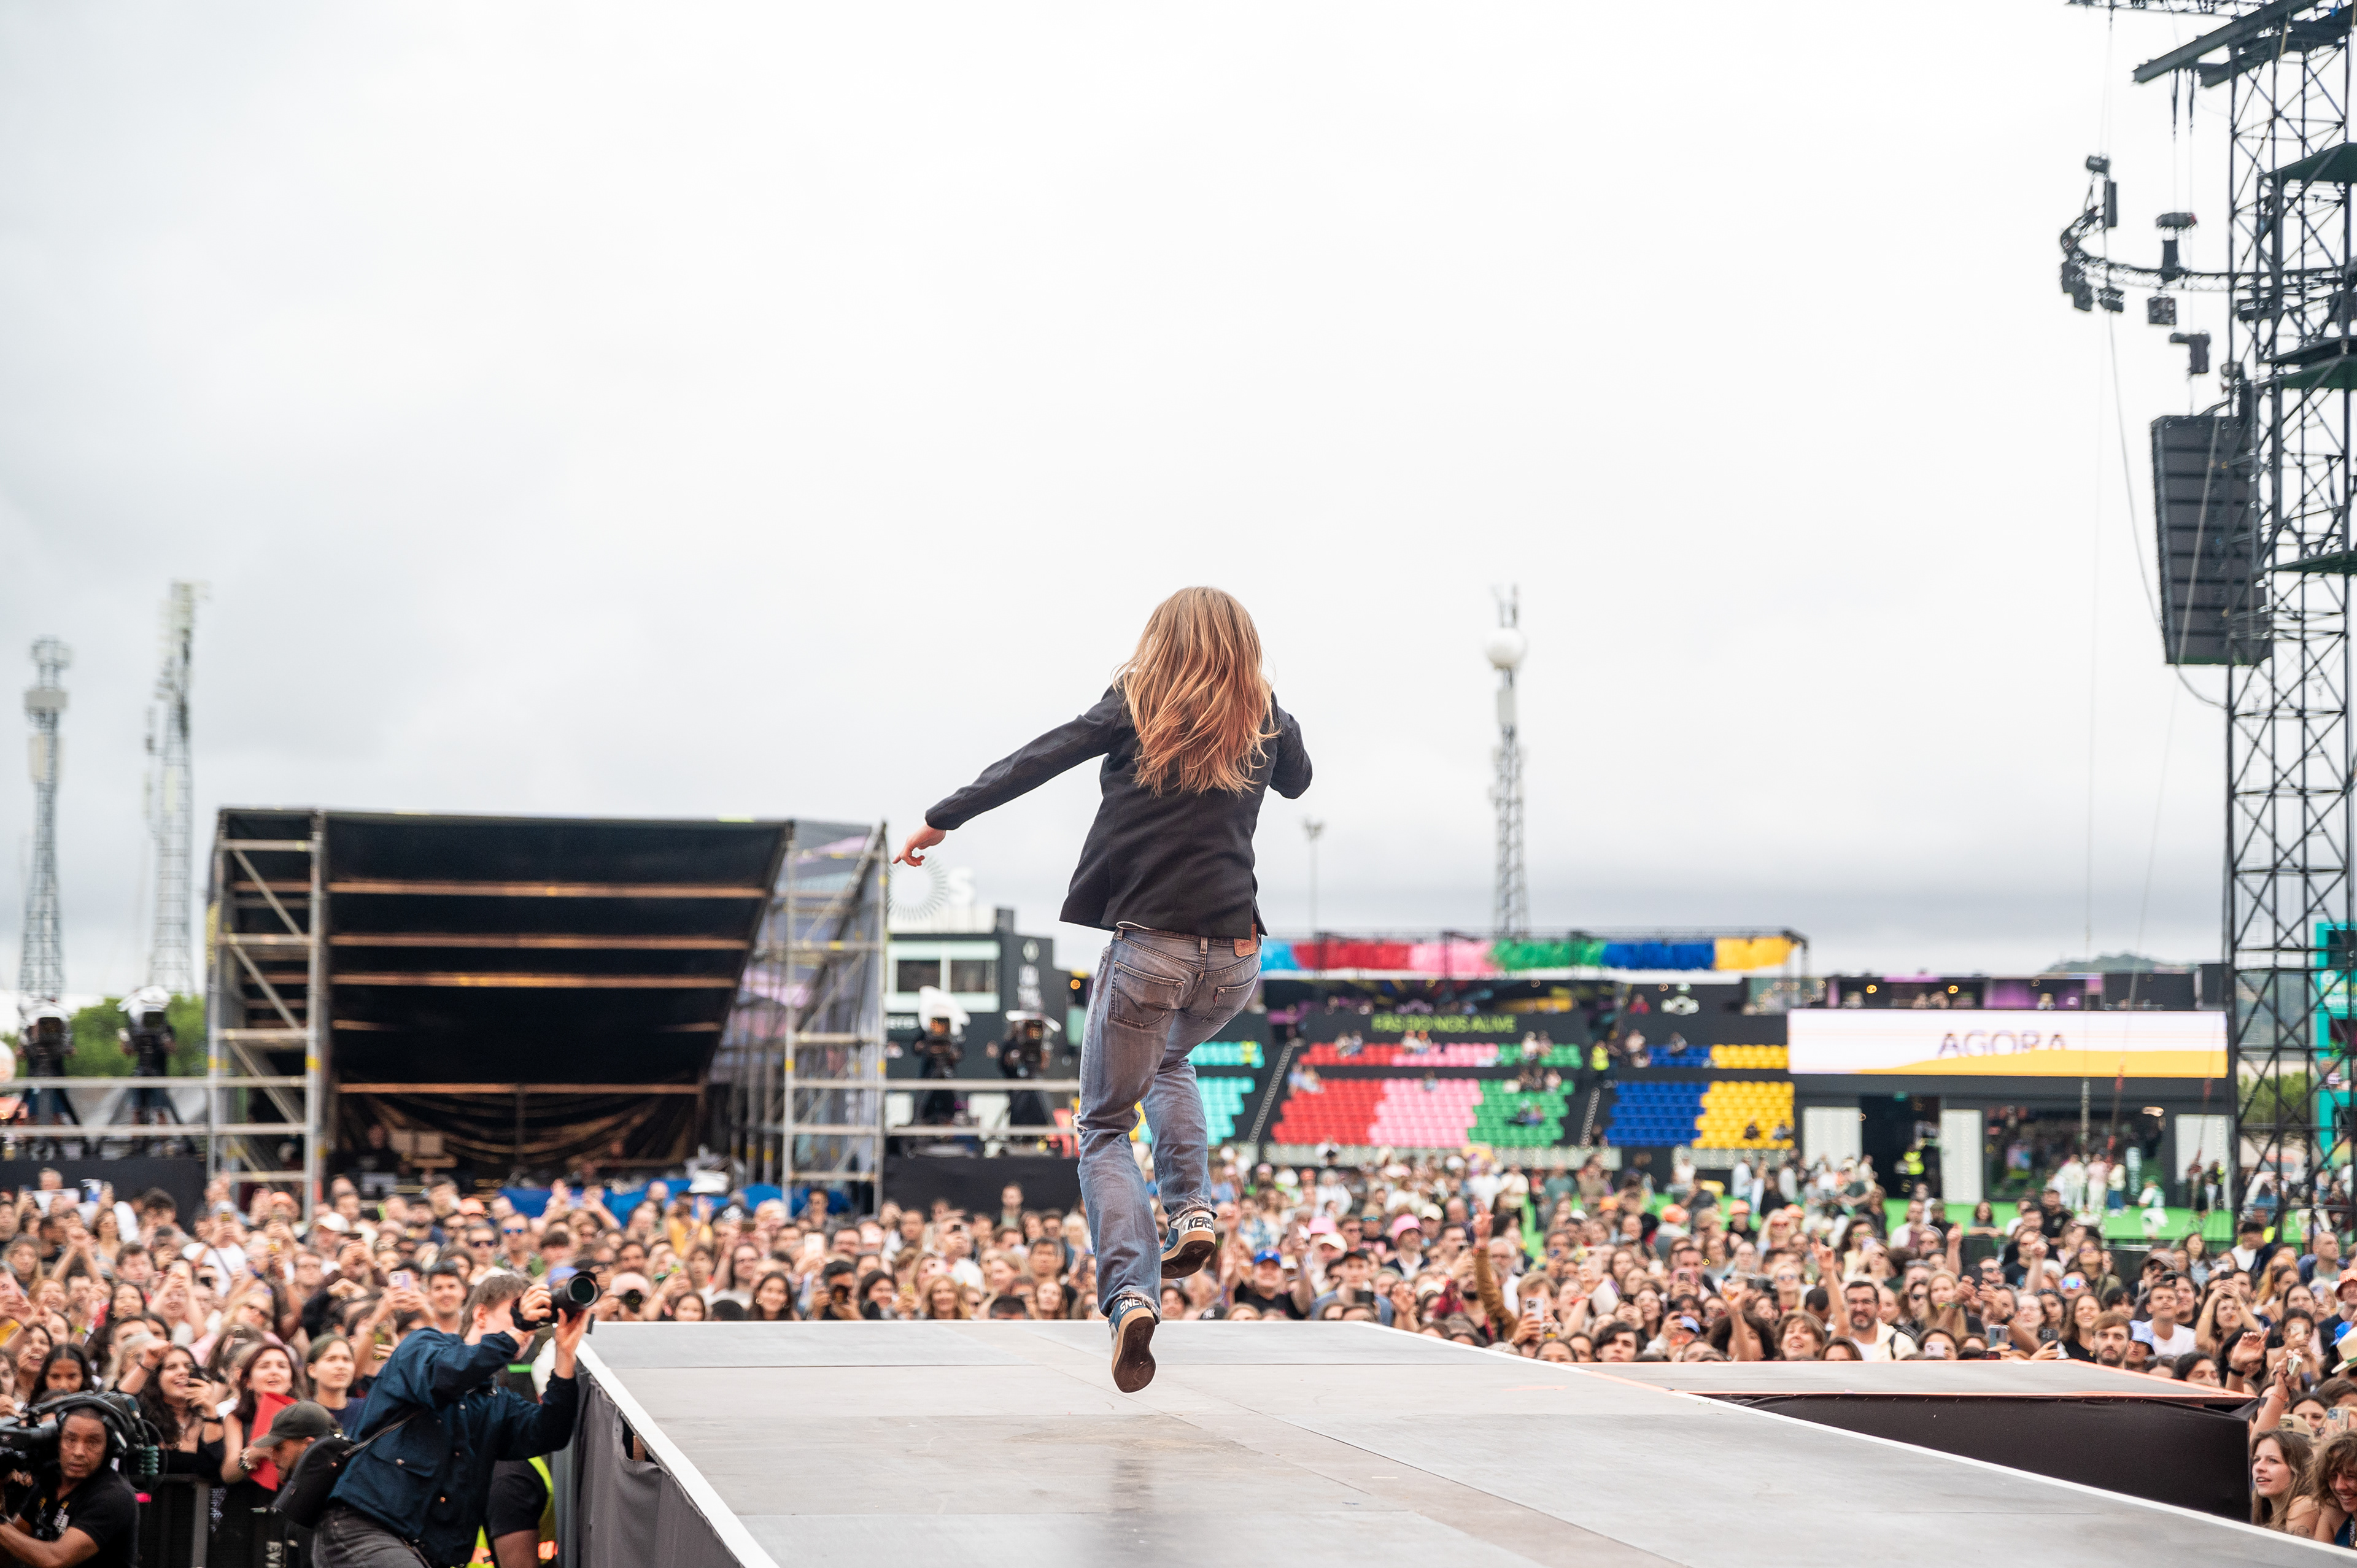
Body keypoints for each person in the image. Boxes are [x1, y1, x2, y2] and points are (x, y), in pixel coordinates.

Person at [898, 587, 1313, 1391]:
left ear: (1159, 641)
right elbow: (1296, 781)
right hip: (1235, 956)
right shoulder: (1263, 719)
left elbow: (1035, 758)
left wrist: (942, 817)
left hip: (1150, 950)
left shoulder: (1135, 704)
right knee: (1168, 1062)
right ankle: (1192, 1209)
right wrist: (1267, 702)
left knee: (1103, 1126)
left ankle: (1131, 1295)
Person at [312, 1273, 587, 1568]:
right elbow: (446, 1378)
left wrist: (565, 1354)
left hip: (430, 1554)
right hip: (365, 1529)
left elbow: (550, 1433)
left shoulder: (496, 1402)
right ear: (481, 1314)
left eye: (534, 1325)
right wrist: (516, 1333)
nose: (528, 1328)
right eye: (518, 1313)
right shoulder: (423, 1345)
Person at [0, 1405, 137, 1568]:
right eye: (71, 1440)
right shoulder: (49, 1484)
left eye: (93, 1442)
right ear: (58, 1442)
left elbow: (55, 1560)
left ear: (108, 1448)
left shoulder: (114, 1496)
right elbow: (6, 1553)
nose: (79, 1452)